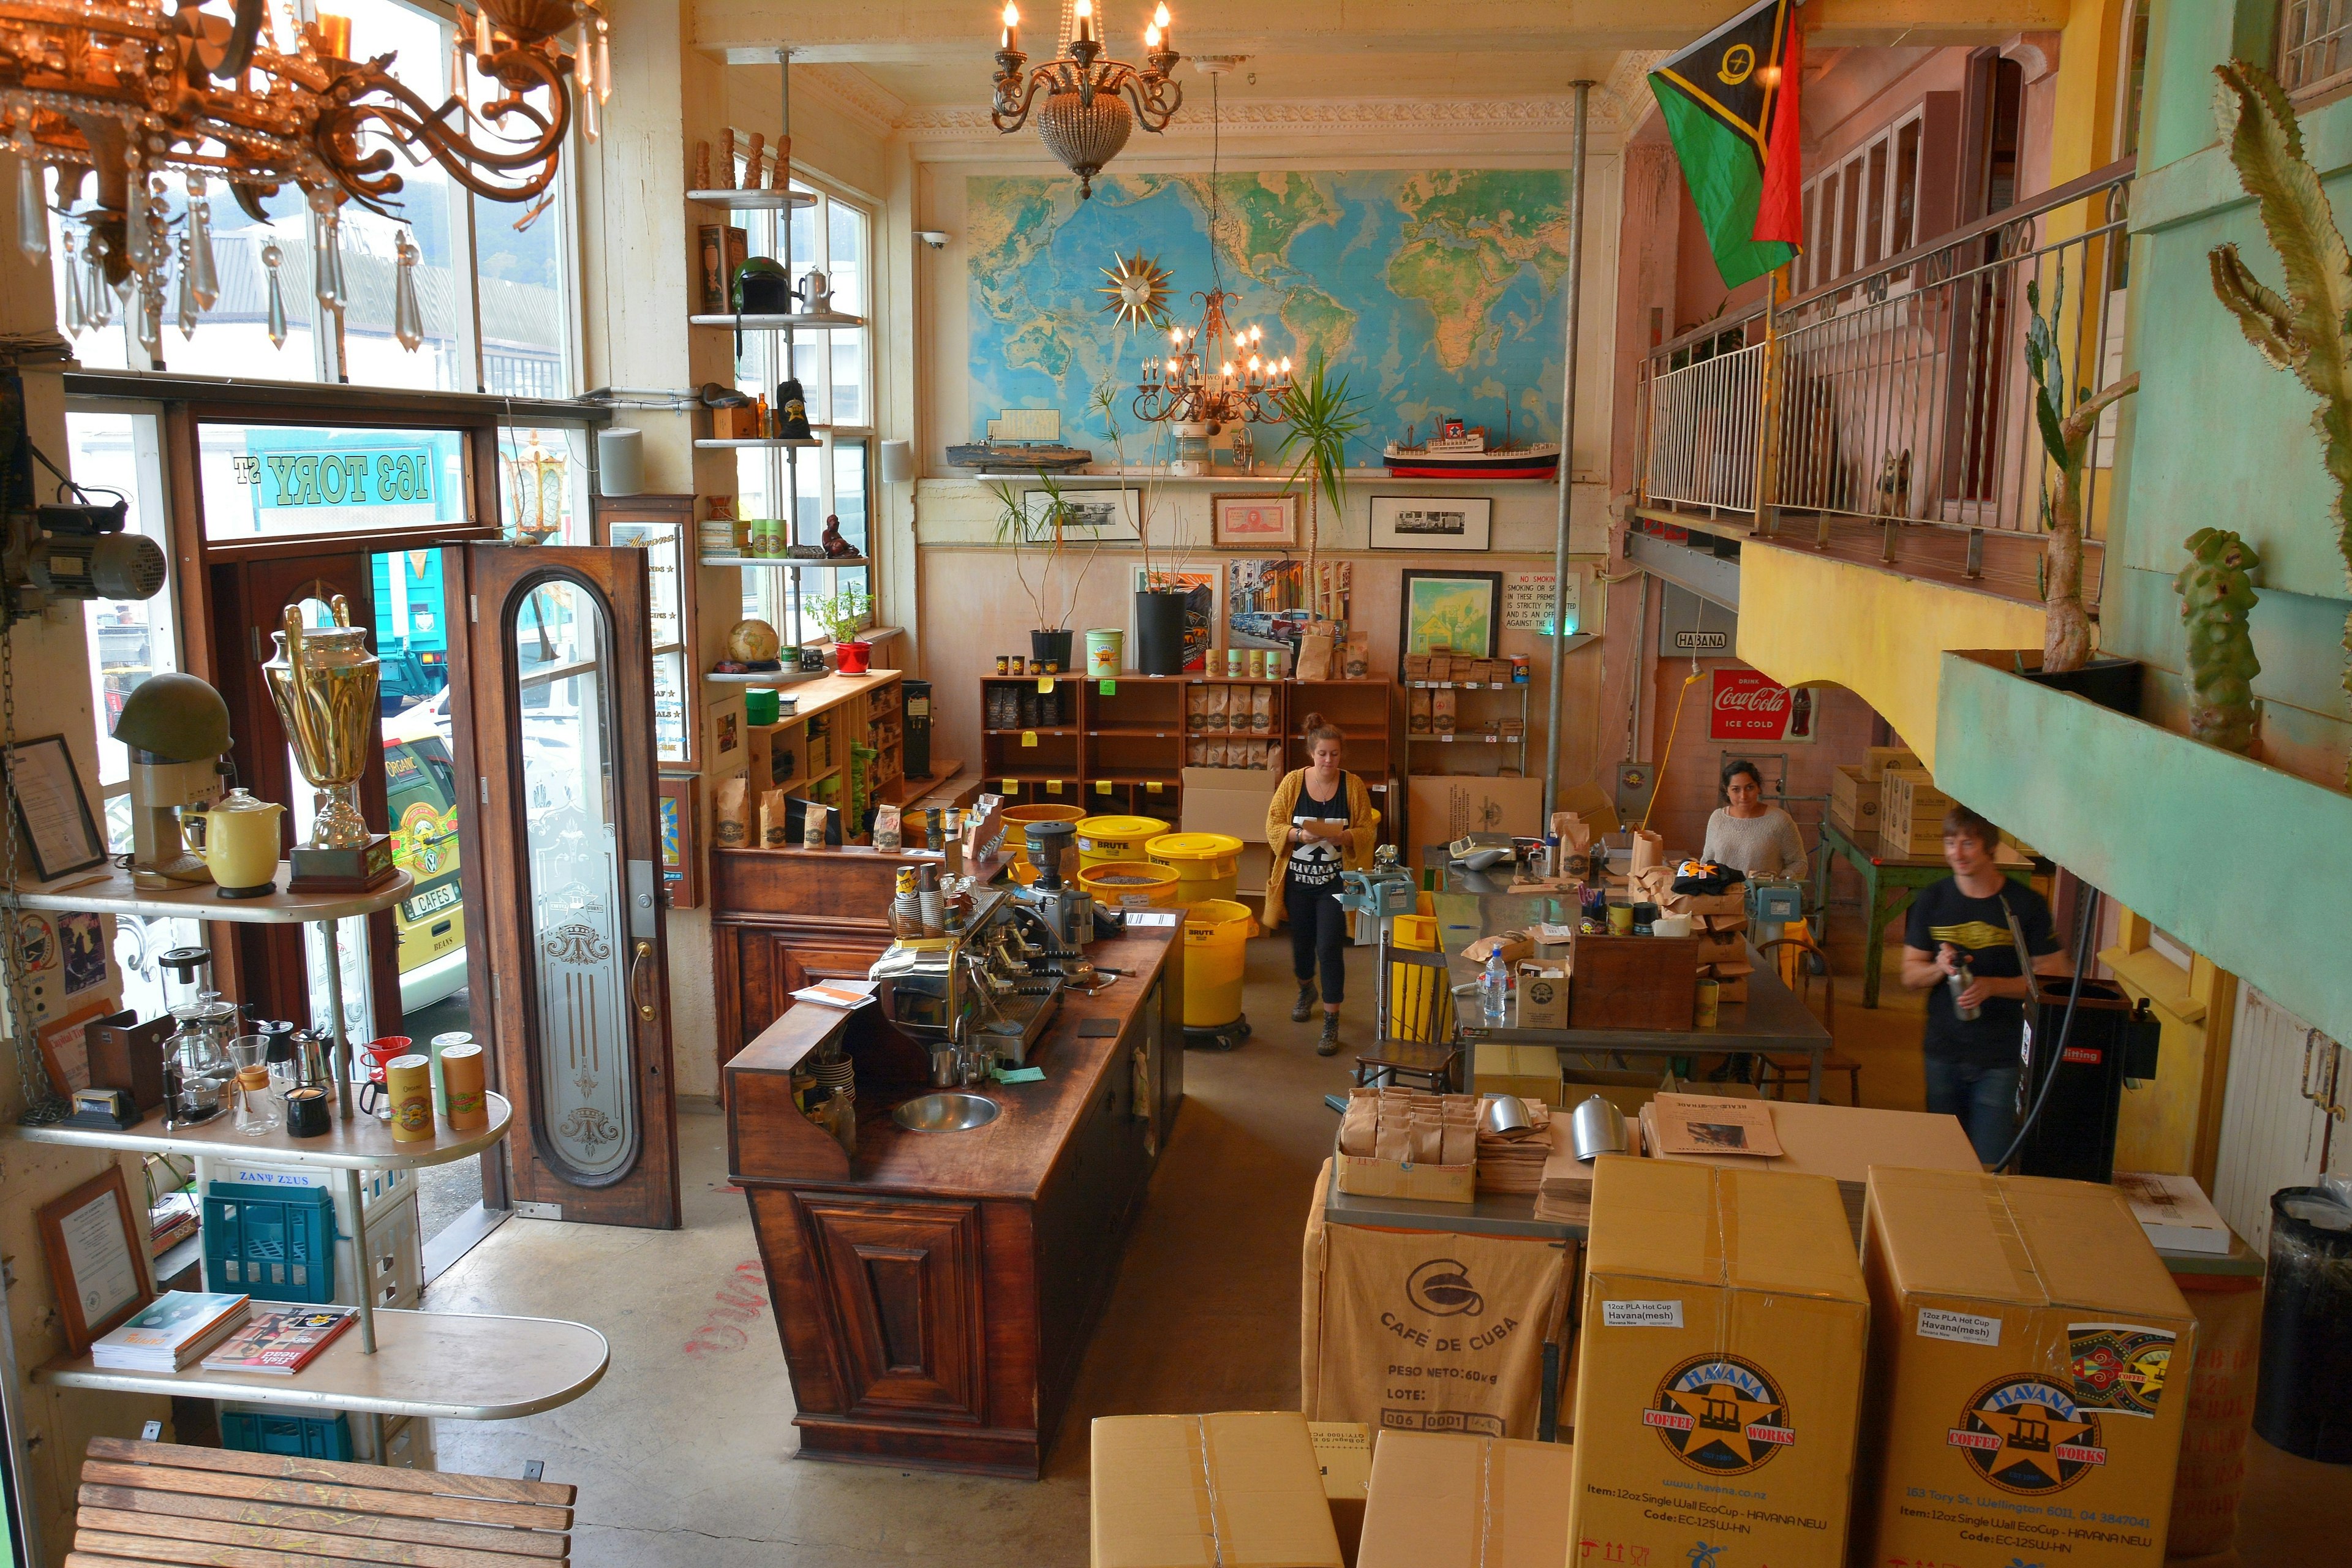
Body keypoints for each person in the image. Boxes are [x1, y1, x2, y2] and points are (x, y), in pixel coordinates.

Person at [1899, 804, 2068, 1166]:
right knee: (1943, 1162)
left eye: (1968, 844)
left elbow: (2055, 980)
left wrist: (1993, 986)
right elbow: (1910, 974)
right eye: (1950, 843)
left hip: (2001, 1055)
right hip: (1943, 1051)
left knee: (1990, 1164)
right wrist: (1939, 968)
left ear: (1990, 847)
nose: (1956, 854)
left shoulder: (2025, 905)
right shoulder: (1933, 900)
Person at [1263, 714, 1379, 1057]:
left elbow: (1367, 830)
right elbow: (1273, 823)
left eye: (1334, 754)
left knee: (1329, 948)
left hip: (1334, 884)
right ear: (1311, 754)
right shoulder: (1292, 783)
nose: (1329, 761)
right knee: (1302, 948)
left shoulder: (1353, 786)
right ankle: (1305, 989)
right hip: (1297, 884)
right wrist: (1299, 834)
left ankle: (1331, 1020)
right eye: (1322, 754)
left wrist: (1346, 836)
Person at [1700, 758, 1807, 881]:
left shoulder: (1780, 821)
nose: (1743, 796)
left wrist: (1779, 882)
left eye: (1750, 788)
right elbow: (1706, 861)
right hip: (1723, 897)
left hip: (1762, 897)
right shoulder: (1717, 818)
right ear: (1727, 791)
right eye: (1736, 789)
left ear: (1759, 788)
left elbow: (1799, 862)